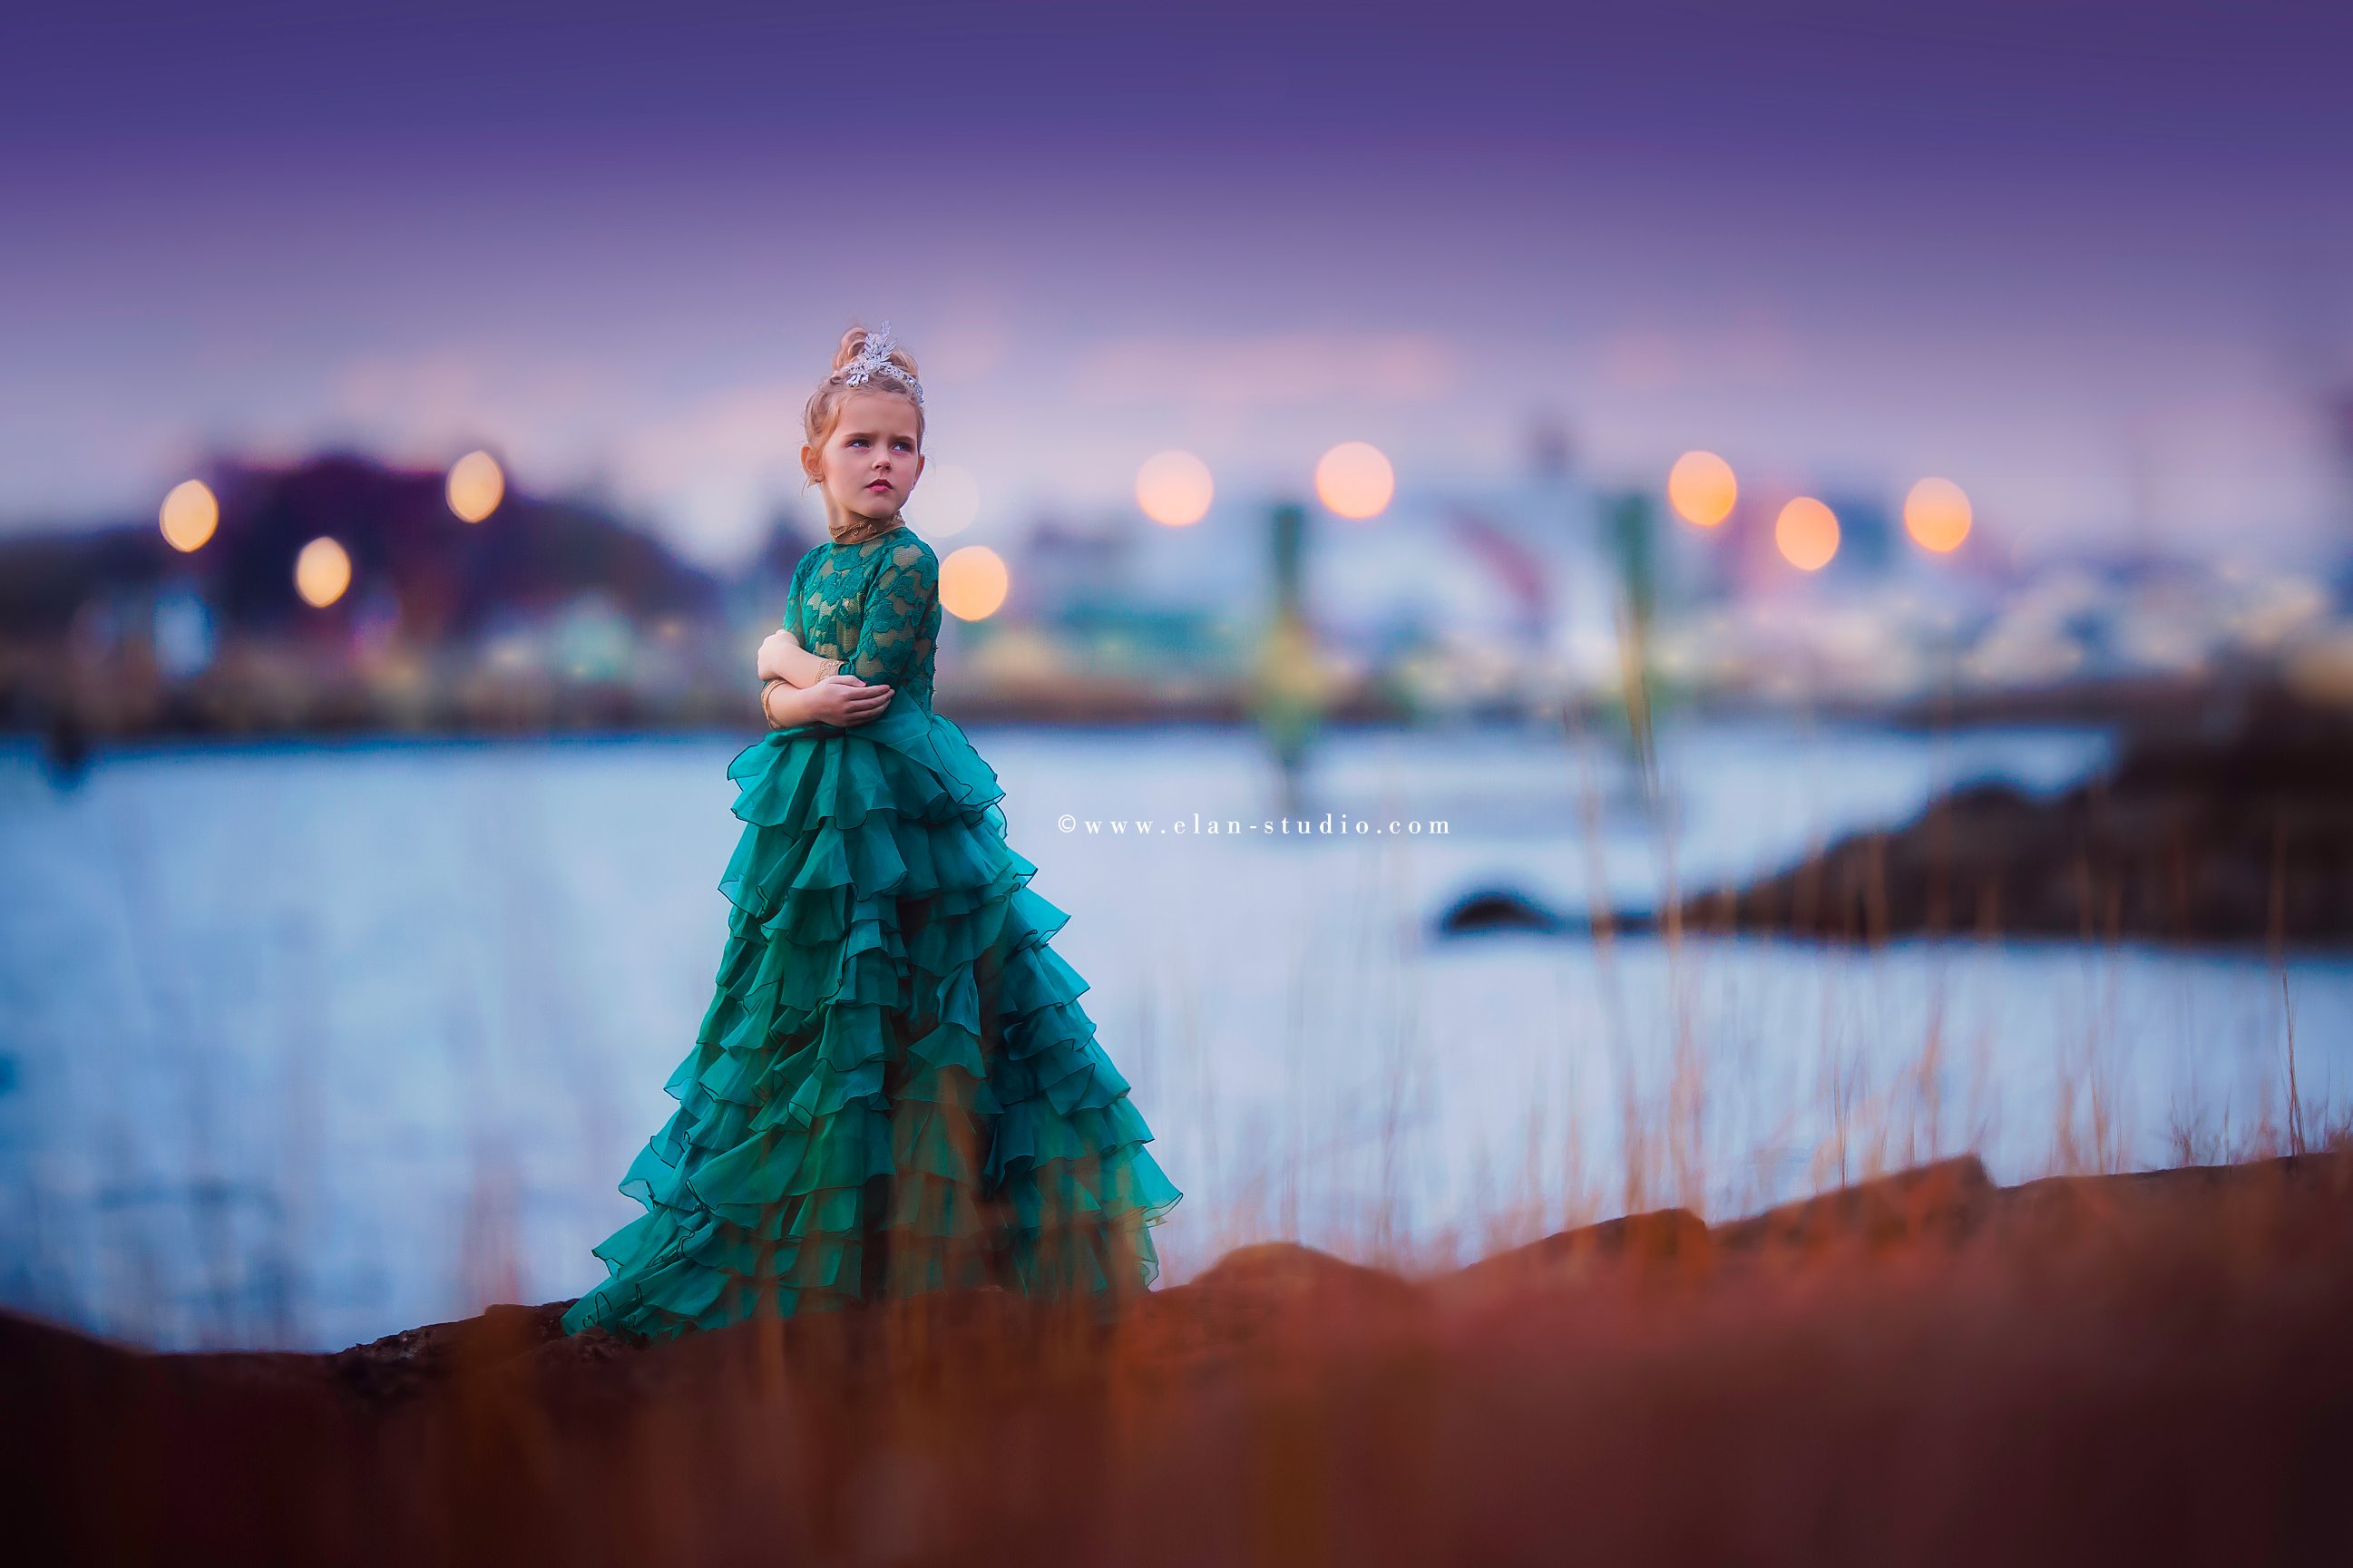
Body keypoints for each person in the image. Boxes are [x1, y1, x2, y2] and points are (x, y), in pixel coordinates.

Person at [560, 324, 1180, 1341]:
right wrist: (786, 681)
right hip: (815, 820)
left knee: (927, 1005)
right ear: (817, 459)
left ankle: (950, 1244)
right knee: (812, 1010)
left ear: (922, 464)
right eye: (860, 443)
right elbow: (787, 701)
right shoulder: (811, 568)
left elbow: (858, 687)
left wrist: (778, 665)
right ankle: (825, 1240)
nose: (880, 461)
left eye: (899, 445)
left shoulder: (910, 564)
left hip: (901, 815)